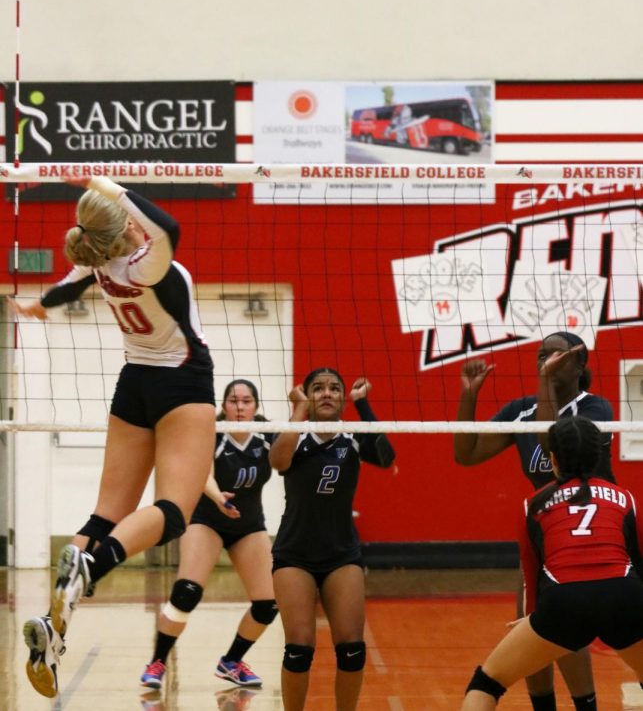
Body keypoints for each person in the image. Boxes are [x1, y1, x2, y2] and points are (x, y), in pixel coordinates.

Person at [11, 176, 217, 699]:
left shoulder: (99, 262)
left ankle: (55, 627)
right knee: (174, 512)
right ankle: (91, 565)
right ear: (124, 222)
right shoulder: (145, 262)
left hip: (134, 384)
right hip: (179, 380)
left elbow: (67, 288)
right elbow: (168, 225)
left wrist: (40, 307)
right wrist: (108, 185)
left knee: (105, 515)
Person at [454, 331, 614, 711]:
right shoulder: (521, 410)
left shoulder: (595, 408)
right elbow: (466, 453)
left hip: (594, 531)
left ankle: (585, 704)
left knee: (565, 628)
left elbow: (549, 440)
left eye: (556, 356)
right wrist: (469, 395)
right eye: (542, 356)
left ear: (579, 364)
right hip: (547, 534)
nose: (547, 361)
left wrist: (545, 380)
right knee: (530, 626)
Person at [461, 414, 643, 709]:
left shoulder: (533, 504)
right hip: (624, 595)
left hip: (563, 602)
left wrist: (535, 621)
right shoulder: (625, 499)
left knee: (486, 683)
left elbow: (533, 579)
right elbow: (641, 564)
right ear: (597, 456)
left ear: (553, 459)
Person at [139, 378, 278, 691]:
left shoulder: (269, 433)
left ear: (256, 407)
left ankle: (231, 662)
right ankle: (157, 662)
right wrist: (218, 497)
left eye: (246, 401)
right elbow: (203, 473)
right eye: (233, 401)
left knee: (267, 604)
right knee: (187, 591)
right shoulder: (210, 433)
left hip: (249, 524)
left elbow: (291, 454)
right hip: (208, 519)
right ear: (223, 405)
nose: (240, 407)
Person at [269, 369, 396, 711]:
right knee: (299, 650)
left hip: (341, 554)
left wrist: (364, 405)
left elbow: (387, 457)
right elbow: (277, 461)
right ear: (308, 396)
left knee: (352, 650)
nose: (327, 393)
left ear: (342, 398)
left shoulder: (353, 436)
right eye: (318, 389)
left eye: (334, 389)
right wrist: (297, 412)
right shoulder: (296, 435)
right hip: (294, 554)